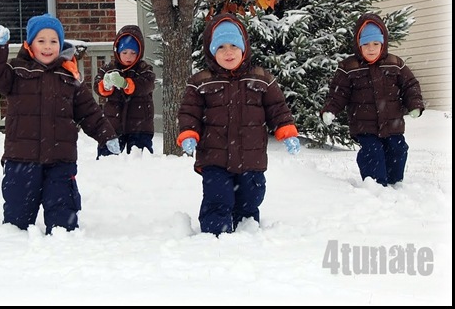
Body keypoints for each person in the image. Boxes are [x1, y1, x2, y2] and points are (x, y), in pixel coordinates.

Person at [0, 13, 121, 235]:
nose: (48, 47)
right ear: (30, 45)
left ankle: (63, 251)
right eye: (41, 41)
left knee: (63, 217)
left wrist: (107, 135)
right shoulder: (17, 72)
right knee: (16, 220)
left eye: (53, 41)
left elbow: (89, 111)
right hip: (21, 159)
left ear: (61, 43)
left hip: (60, 160)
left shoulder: (69, 77)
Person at [176, 13, 301, 236]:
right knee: (218, 196)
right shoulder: (200, 82)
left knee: (250, 197)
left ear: (244, 48)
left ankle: (246, 233)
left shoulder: (261, 78)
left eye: (234, 45)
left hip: (250, 155)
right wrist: (188, 133)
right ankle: (216, 236)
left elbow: (277, 108)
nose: (228, 52)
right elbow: (189, 112)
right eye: (221, 47)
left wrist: (287, 131)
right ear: (212, 51)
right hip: (214, 156)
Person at [320, 12, 424, 187]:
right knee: (373, 152)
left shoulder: (395, 63)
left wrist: (414, 104)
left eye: (376, 43)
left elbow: (410, 85)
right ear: (358, 45)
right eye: (366, 44)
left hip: (393, 123)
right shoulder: (349, 67)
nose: (371, 48)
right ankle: (375, 185)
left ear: (383, 44)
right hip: (364, 124)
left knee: (398, 149)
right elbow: (338, 93)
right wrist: (330, 109)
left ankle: (394, 182)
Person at [93, 25, 156, 158]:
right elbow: (97, 85)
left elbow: (146, 85)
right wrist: (106, 84)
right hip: (113, 125)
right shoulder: (109, 69)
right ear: (118, 51)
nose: (129, 56)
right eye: (125, 52)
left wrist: (126, 83)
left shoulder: (145, 69)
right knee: (108, 159)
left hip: (140, 126)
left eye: (133, 53)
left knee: (139, 160)